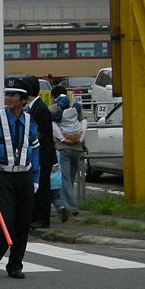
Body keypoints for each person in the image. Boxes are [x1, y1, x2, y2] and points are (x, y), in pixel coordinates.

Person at [0, 77, 40, 280]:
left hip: (25, 176)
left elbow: (35, 150)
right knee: (5, 222)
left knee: (23, 223)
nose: (8, 98)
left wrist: (36, 177)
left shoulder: (31, 121)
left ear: (23, 99)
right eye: (7, 94)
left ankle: (15, 265)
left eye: (13, 95)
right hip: (2, 176)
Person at [25, 76, 57, 229]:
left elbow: (41, 134)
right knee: (36, 188)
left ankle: (43, 219)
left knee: (43, 188)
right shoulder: (34, 107)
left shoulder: (40, 109)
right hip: (38, 155)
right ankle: (34, 217)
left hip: (43, 156)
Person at [51, 90, 88, 219]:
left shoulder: (54, 111)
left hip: (63, 147)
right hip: (77, 147)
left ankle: (70, 206)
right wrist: (82, 141)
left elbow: (51, 123)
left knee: (64, 178)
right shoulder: (76, 110)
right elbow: (84, 123)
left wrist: (61, 139)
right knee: (71, 177)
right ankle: (68, 201)